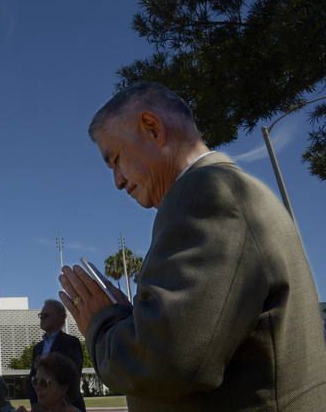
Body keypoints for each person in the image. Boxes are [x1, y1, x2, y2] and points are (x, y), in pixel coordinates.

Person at [59, 81, 326, 411]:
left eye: (115, 159)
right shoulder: (229, 190)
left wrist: (103, 324)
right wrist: (135, 321)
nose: (117, 181)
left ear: (152, 128)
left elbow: (167, 363)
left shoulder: (208, 193)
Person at [26, 300, 85, 412]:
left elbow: (73, 377)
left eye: (45, 315)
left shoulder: (71, 343)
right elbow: (32, 378)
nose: (41, 318)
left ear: (61, 318)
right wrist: (35, 404)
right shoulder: (37, 348)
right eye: (41, 315)